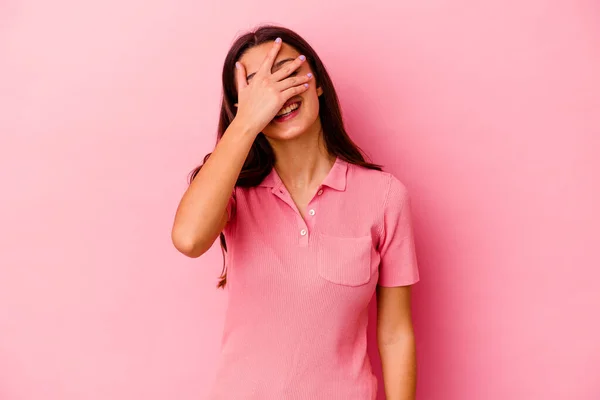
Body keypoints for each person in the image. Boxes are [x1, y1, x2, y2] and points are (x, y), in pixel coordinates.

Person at [171, 24, 420, 400]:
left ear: (317, 82)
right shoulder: (234, 192)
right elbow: (188, 239)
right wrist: (246, 123)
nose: (277, 92)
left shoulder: (385, 197)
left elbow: (395, 334)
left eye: (287, 72)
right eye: (258, 86)